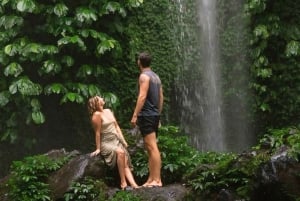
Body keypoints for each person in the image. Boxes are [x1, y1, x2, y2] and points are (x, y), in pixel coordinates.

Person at [87, 96, 139, 190]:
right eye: (100, 99)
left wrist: (123, 141)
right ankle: (123, 182)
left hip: (116, 140)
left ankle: (134, 184)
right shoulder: (96, 115)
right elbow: (97, 133)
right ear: (96, 103)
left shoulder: (108, 111)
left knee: (125, 162)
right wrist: (98, 148)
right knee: (120, 152)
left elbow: (117, 126)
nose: (103, 99)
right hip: (106, 142)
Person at [131, 52, 163, 187]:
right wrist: (158, 114)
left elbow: (142, 96)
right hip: (154, 114)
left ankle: (157, 180)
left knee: (152, 147)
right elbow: (161, 97)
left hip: (147, 115)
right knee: (150, 148)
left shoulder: (144, 76)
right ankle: (151, 179)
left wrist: (134, 115)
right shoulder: (156, 77)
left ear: (139, 62)